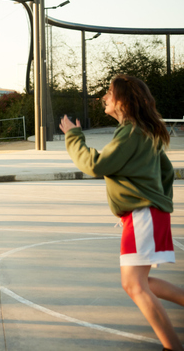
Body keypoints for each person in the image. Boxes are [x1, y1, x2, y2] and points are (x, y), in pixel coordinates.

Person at [60, 74, 183, 351]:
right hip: (146, 215)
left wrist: (73, 137)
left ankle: (172, 347)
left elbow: (96, 165)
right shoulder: (142, 131)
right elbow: (166, 173)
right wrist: (156, 204)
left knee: (134, 285)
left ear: (122, 100)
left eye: (108, 92)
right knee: (140, 283)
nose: (104, 97)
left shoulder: (131, 132)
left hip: (144, 216)